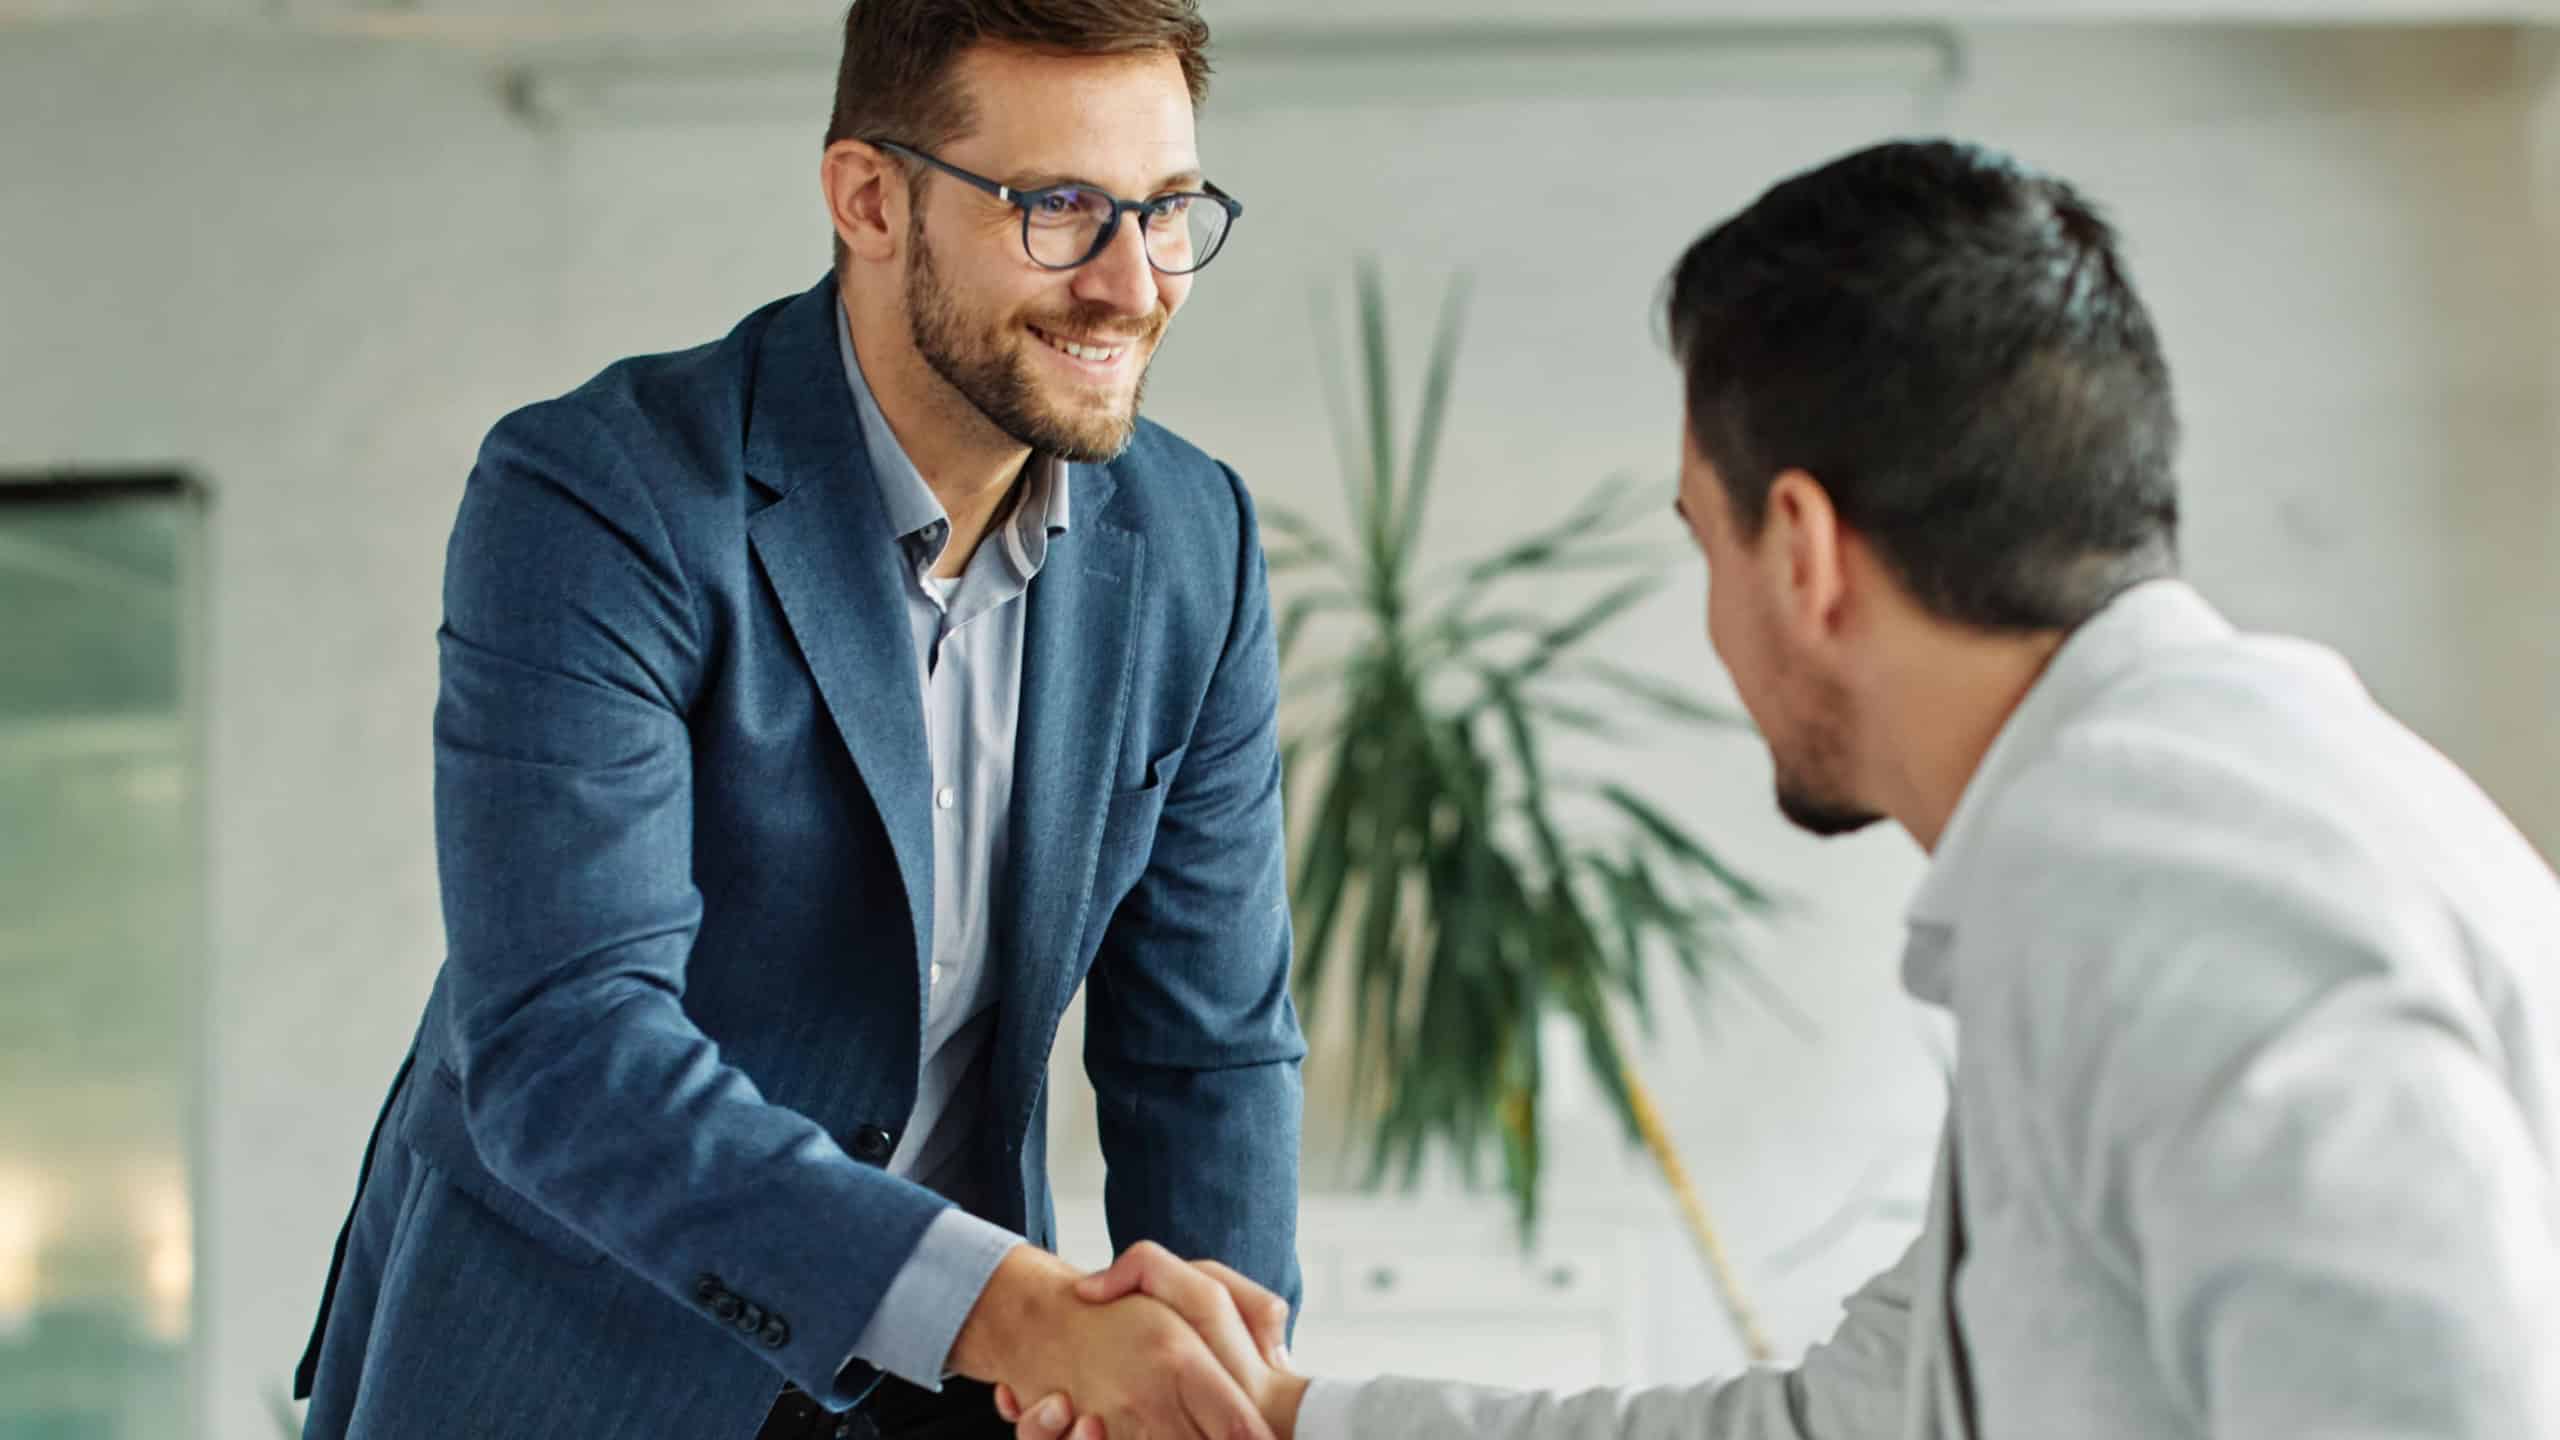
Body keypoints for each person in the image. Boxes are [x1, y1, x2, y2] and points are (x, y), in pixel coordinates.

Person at [995, 139, 2560, 1440]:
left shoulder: (2193, 904)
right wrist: (1285, 1420)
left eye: (1705, 537)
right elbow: (1845, 1425)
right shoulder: (2152, 837)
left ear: (1801, 552)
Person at [291, 2, 1306, 1436]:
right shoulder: (600, 495)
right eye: (1062, 208)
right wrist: (1014, 1311)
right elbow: (570, 1052)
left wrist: (1216, 1392)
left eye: (1168, 209)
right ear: (870, 200)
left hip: (946, 1396)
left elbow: (1206, 1051)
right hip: (567, 1366)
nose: (1132, 282)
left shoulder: (1197, 541)